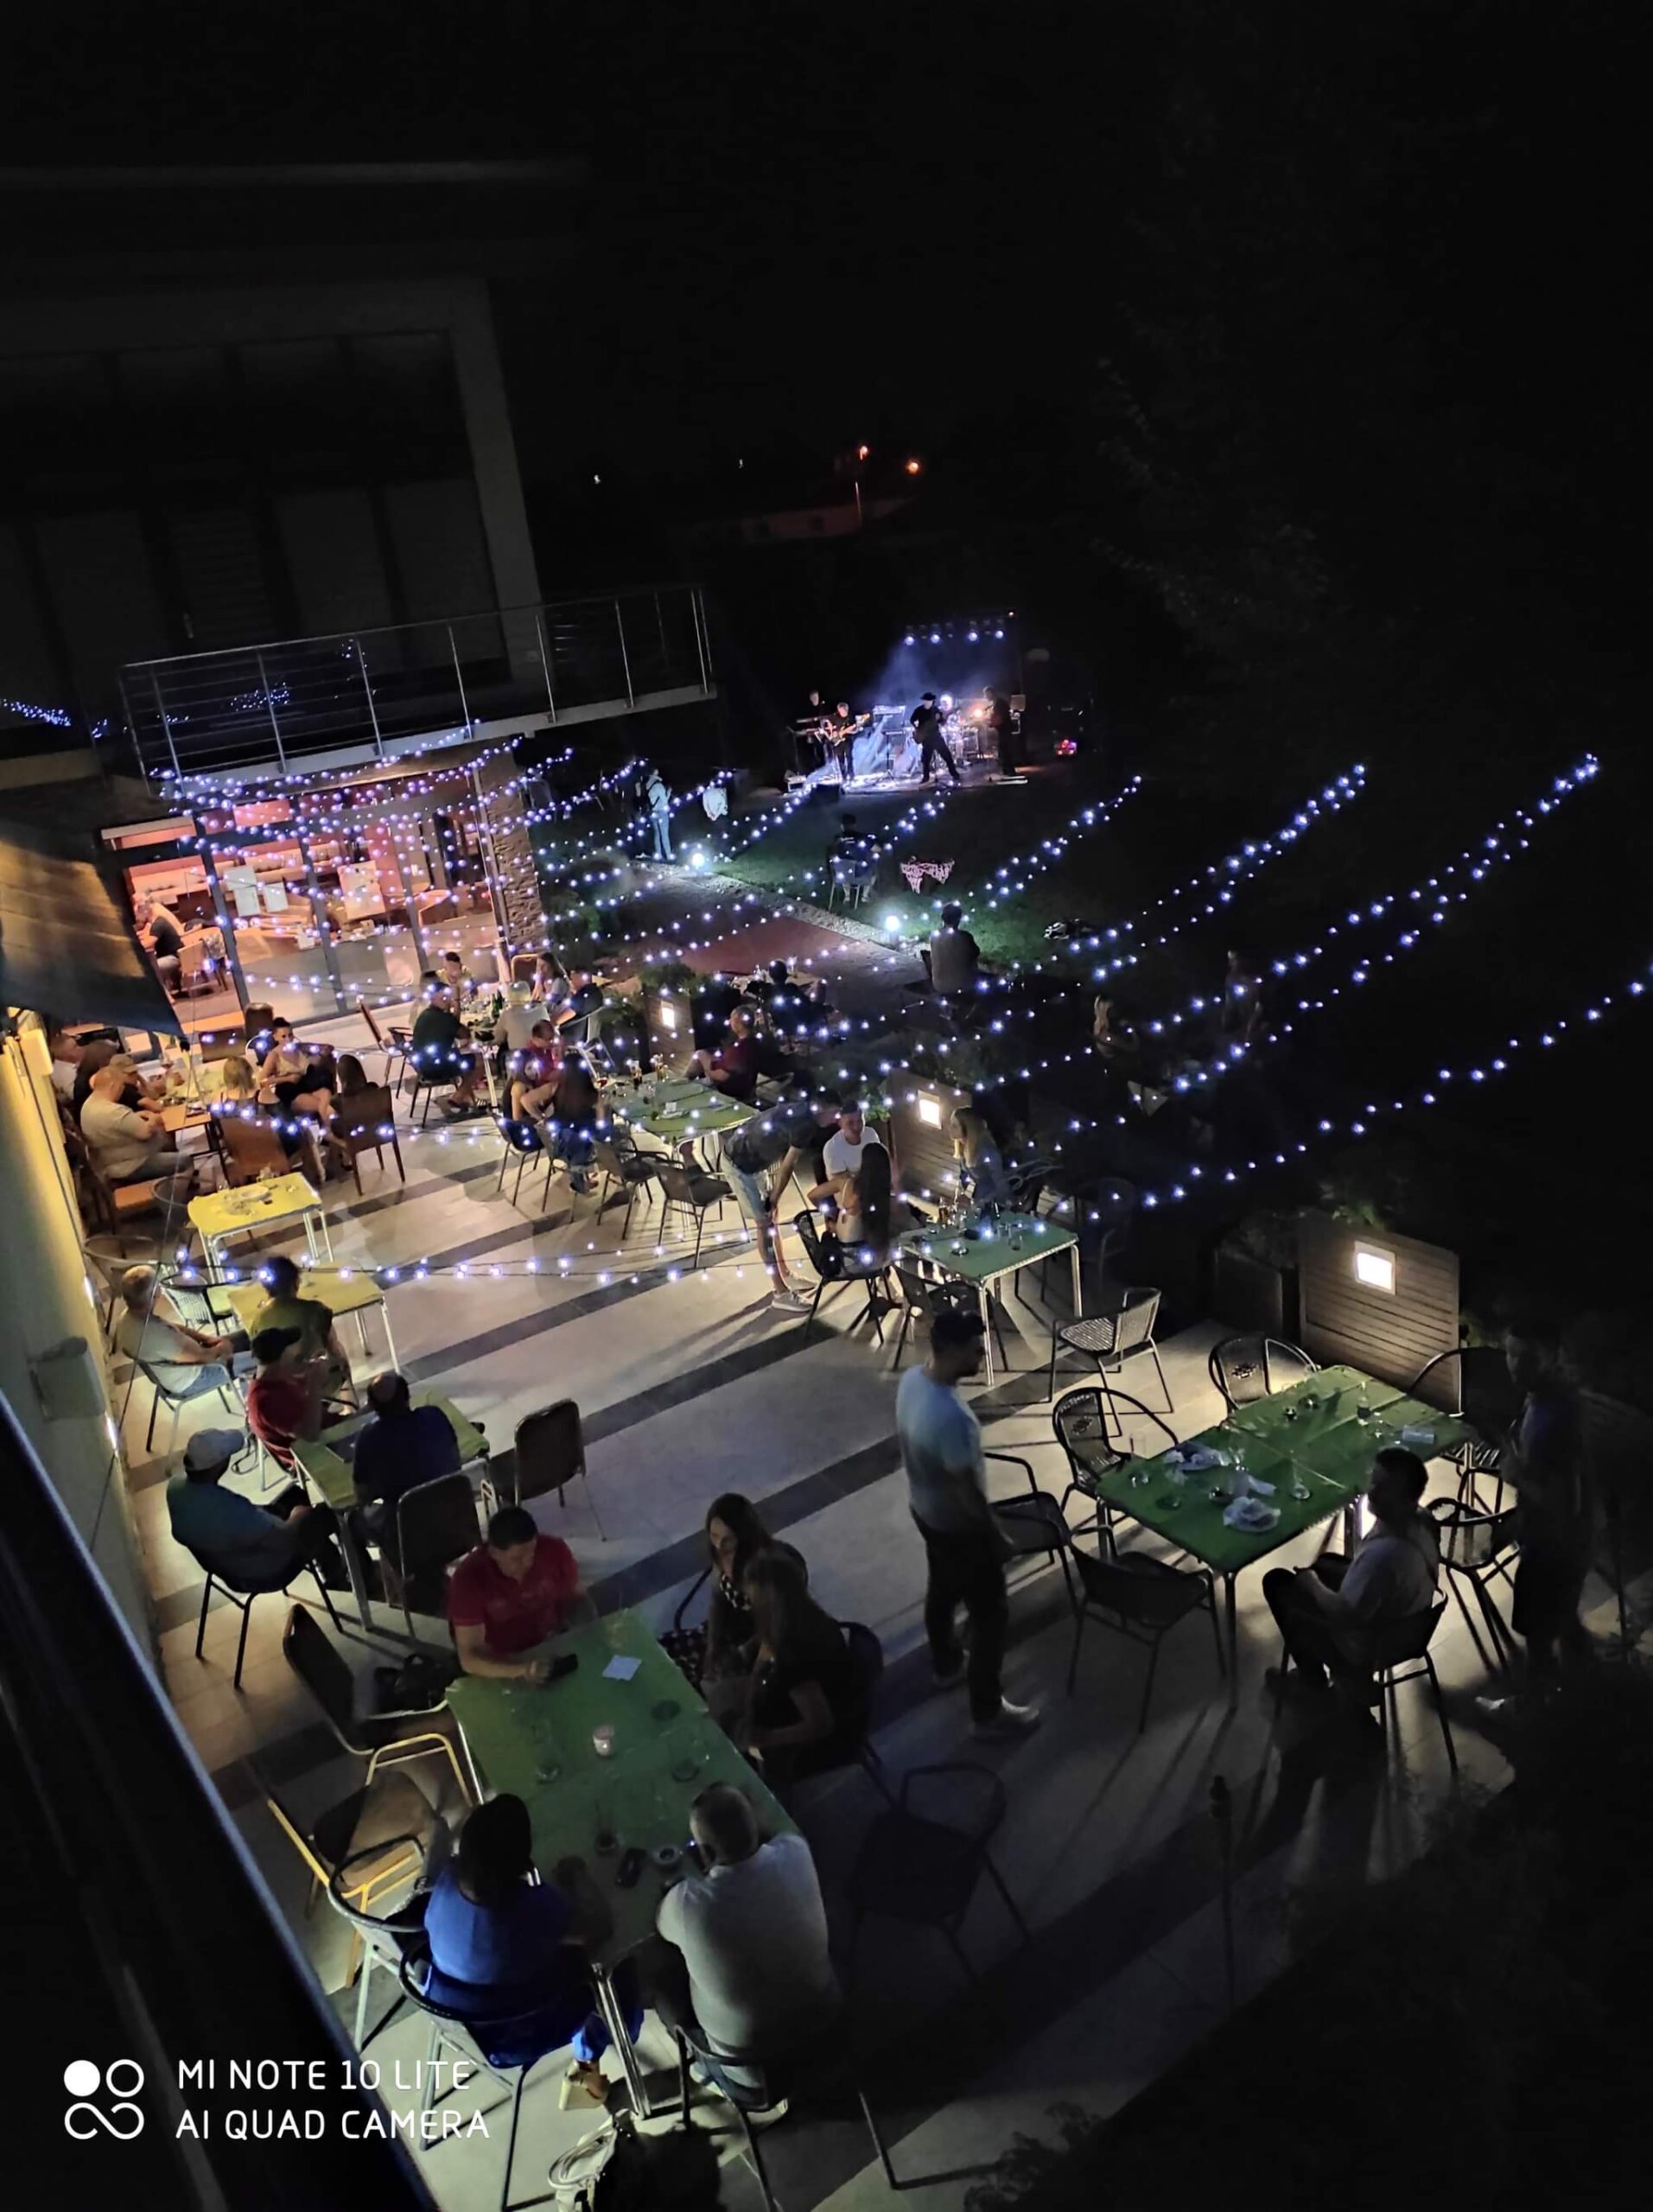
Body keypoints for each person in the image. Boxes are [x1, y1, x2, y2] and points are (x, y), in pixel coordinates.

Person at [424, 1795, 639, 2109]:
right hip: (516, 2030)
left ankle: (589, 2059)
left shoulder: (446, 1881)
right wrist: (577, 1874)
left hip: (458, 2013)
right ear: (523, 1862)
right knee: (615, 1966)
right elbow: (600, 1927)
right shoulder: (525, 1912)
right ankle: (589, 2062)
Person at [896, 1307, 1039, 1737]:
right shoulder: (952, 1418)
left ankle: (946, 1665)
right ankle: (987, 1712)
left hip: (924, 1512)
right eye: (976, 1349)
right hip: (960, 1529)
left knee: (941, 1591)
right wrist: (996, 1536)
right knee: (990, 1617)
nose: (983, 1353)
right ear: (952, 1350)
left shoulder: (912, 1382)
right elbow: (968, 1493)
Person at [647, 1783, 838, 2088]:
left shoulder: (688, 1906)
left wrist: (678, 1889)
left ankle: (706, 2070)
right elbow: (773, 1837)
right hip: (827, 2028)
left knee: (661, 1981)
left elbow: (660, 1923)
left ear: (705, 1853)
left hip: (756, 2070)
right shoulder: (795, 1850)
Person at [1262, 1446, 1440, 1717]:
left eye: (1385, 1488)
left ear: (1406, 1498)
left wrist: (1311, 1584)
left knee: (1278, 1583)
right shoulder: (1423, 1521)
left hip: (1368, 1642)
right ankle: (1351, 1680)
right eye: (1374, 1481)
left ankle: (1320, 1680)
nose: (1373, 1492)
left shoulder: (1383, 1557)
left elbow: (1343, 1614)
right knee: (1327, 1562)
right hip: (1408, 1623)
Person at [1484, 1323, 1596, 1707]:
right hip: (1562, 1541)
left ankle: (1533, 1707)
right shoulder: (1546, 1396)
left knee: (1538, 1635)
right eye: (1511, 1353)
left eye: (1527, 1356)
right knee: (1561, 1614)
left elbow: (1565, 1503)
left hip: (1554, 1548)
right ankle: (1586, 1683)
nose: (1515, 1365)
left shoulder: (1556, 1417)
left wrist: (1516, 1476)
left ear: (1552, 1356)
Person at [715, 1084, 842, 1306]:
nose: (836, 1119)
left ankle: (785, 1273)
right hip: (739, 1165)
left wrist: (774, 1198)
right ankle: (779, 1292)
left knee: (772, 1218)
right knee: (764, 1224)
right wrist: (774, 1197)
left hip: (755, 1162)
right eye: (835, 1113)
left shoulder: (802, 1111)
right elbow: (788, 1165)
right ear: (822, 1108)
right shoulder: (805, 1124)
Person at [741, 1549, 858, 1785]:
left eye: (752, 1598)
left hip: (811, 1744)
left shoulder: (793, 1655)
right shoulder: (809, 1619)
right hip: (824, 1706)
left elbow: (820, 1724)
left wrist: (765, 1738)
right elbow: (765, 1652)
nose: (748, 1603)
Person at [448, 1505, 595, 1681]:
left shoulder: (554, 1550)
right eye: (516, 1559)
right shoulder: (469, 1579)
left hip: (551, 1644)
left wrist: (591, 1634)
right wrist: (523, 1670)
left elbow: (578, 1598)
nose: (527, 1563)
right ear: (493, 1552)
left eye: (532, 1554)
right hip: (501, 1664)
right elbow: (469, 1658)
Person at [351, 1370, 462, 1554]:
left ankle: (372, 1571)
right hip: (455, 1520)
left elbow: (361, 1495)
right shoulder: (434, 1415)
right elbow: (456, 1459)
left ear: (372, 1406)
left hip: (404, 1533)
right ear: (408, 1396)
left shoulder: (368, 1438)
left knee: (352, 1520)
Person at [117, 1265, 249, 1388]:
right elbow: (202, 1357)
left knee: (249, 1334)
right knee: (259, 1356)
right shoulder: (156, 1336)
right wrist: (221, 1348)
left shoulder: (128, 1317)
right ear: (154, 1295)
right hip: (194, 1377)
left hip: (188, 1360)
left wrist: (205, 1338)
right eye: (157, 1286)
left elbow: (171, 1326)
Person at [80, 1063, 193, 1188]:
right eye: (121, 1086)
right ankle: (173, 1198)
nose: (123, 1090)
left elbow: (117, 1124)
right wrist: (153, 1119)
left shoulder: (88, 1106)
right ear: (113, 1086)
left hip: (111, 1164)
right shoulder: (113, 1111)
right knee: (185, 1161)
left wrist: (134, 1116)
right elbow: (145, 1132)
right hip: (132, 1166)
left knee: (167, 1145)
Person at [248, 1254, 348, 1384]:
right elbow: (332, 1348)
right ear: (295, 1283)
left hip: (280, 1388)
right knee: (340, 1355)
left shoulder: (258, 1321)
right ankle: (349, 1395)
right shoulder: (316, 1310)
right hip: (315, 1383)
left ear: (266, 1288)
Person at [245, 1327, 326, 1468]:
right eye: (291, 1350)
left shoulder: (272, 1380)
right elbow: (311, 1435)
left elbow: (298, 1393)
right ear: (282, 1356)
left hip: (330, 1429)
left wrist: (313, 1371)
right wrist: (315, 1384)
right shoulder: (266, 1401)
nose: (296, 1354)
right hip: (321, 1450)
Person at [410, 988, 484, 1114]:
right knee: (480, 1061)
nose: (447, 1001)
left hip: (421, 1065)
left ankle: (466, 1098)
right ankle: (458, 1097)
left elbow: (453, 1028)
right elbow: (464, 1034)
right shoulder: (444, 1018)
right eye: (443, 998)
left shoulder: (425, 1015)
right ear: (433, 999)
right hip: (436, 1069)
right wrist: (456, 1009)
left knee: (464, 1057)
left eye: (448, 997)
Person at [950, 1106, 1012, 1213]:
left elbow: (1001, 1184)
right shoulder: (963, 1147)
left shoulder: (986, 1150)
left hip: (993, 1201)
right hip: (979, 1196)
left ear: (966, 1128)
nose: (950, 1129)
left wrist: (979, 1204)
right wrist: (959, 1192)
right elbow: (964, 1174)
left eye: (955, 1126)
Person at [926, 904, 982, 998]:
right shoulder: (965, 937)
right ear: (959, 919)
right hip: (965, 985)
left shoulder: (934, 936)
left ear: (942, 918)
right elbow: (976, 953)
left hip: (939, 985)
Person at [510, 1020, 563, 1121]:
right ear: (535, 1039)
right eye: (548, 1040)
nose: (551, 1042)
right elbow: (549, 1075)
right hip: (534, 1087)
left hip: (538, 1086)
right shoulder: (531, 1054)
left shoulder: (546, 1049)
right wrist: (560, 1058)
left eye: (552, 1039)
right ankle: (522, 1121)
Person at [911, 692, 961, 785]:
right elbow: (912, 720)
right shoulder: (919, 710)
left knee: (947, 756)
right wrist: (917, 728)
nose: (928, 702)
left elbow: (941, 722)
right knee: (926, 759)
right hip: (926, 738)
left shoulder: (935, 710)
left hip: (936, 737)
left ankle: (954, 774)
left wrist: (945, 717)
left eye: (930, 701)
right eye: (926, 701)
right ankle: (926, 777)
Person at [1220, 950, 1266, 1044]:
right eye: (1231, 960)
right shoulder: (1230, 978)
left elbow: (1259, 992)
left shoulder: (1252, 975)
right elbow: (1230, 1001)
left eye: (1235, 959)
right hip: (1242, 1010)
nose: (1232, 963)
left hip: (1256, 1007)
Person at [552, 968, 603, 1037]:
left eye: (572, 979)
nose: (571, 982)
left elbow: (557, 1021)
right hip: (587, 1035)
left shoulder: (582, 996)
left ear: (581, 977)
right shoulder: (596, 993)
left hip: (568, 1035)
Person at [645, 765, 675, 861]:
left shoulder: (647, 785)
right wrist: (669, 792)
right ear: (655, 772)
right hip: (661, 811)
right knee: (664, 834)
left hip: (653, 812)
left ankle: (658, 855)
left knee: (657, 834)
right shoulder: (658, 785)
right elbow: (664, 801)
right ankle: (668, 855)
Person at [989, 693, 1018, 775]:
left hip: (1005, 729)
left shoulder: (999, 703)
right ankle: (1006, 770)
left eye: (986, 694)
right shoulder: (997, 703)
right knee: (1003, 750)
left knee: (1005, 750)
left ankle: (1009, 770)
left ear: (990, 693)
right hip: (1003, 729)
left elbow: (1001, 716)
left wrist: (994, 722)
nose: (985, 697)